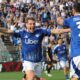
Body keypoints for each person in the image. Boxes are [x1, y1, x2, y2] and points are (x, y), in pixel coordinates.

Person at [0, 17, 70, 80]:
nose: (32, 26)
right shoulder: (22, 33)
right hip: (28, 61)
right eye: (30, 24)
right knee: (31, 77)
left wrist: (69, 29)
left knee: (34, 78)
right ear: (26, 25)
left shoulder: (40, 31)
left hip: (38, 61)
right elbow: (8, 31)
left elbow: (55, 31)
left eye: (33, 24)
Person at [57, 2, 80, 80]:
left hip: (77, 53)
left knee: (75, 77)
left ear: (73, 10)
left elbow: (59, 21)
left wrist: (59, 13)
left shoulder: (71, 19)